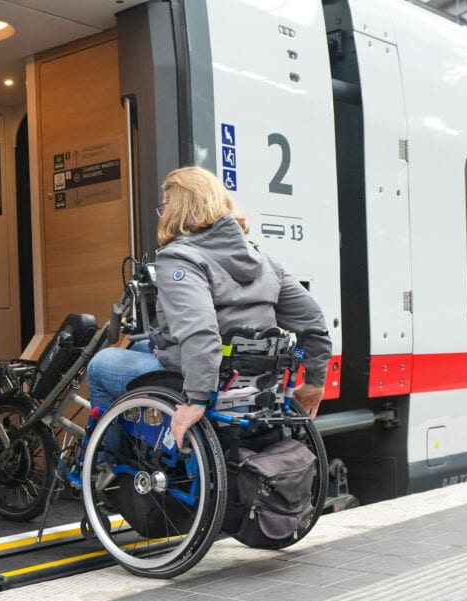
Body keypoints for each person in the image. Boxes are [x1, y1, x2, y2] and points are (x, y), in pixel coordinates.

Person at [87, 166, 332, 448]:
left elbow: (200, 331)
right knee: (139, 346)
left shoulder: (180, 258)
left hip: (213, 386)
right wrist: (314, 381)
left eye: (165, 206)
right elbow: (312, 321)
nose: (162, 214)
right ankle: (154, 439)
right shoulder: (264, 261)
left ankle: (106, 467)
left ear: (179, 208)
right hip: (255, 385)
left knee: (102, 364)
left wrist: (197, 399)